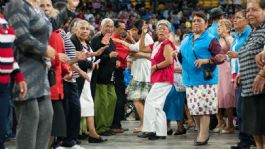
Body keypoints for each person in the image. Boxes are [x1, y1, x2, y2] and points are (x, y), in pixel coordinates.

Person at [4, 0, 79, 148]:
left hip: (41, 73)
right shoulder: (17, 4)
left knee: (46, 116)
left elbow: (51, 25)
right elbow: (20, 36)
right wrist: (44, 49)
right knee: (30, 118)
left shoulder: (36, 7)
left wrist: (70, 6)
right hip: (24, 71)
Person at [179, 11, 225, 146]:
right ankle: (200, 133)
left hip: (206, 80)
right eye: (194, 21)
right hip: (189, 79)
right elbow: (181, 57)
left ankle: (203, 136)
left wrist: (207, 61)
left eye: (199, 20)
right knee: (194, 109)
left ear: (206, 24)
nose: (196, 23)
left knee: (204, 109)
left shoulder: (211, 39)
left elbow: (221, 57)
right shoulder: (186, 39)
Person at [112, 19, 153, 133]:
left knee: (136, 98)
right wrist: (130, 41)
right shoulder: (144, 38)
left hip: (141, 72)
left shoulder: (146, 37)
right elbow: (136, 48)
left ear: (136, 29)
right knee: (142, 99)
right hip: (141, 71)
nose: (130, 31)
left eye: (132, 29)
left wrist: (121, 41)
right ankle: (144, 123)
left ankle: (144, 124)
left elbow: (134, 49)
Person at [137, 20, 176, 140]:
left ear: (169, 32)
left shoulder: (167, 44)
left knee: (150, 101)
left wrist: (155, 66)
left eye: (165, 29)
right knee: (157, 106)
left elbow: (169, 61)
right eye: (160, 28)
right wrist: (143, 33)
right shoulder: (156, 44)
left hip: (164, 77)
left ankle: (150, 130)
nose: (162, 30)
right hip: (159, 78)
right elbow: (142, 47)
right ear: (156, 31)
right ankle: (161, 132)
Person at [71, 19, 107, 143]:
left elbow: (88, 56)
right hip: (76, 78)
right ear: (75, 29)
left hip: (87, 79)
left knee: (88, 106)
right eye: (82, 28)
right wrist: (91, 65)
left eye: (87, 29)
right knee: (76, 108)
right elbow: (75, 58)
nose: (85, 31)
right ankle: (73, 136)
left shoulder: (86, 42)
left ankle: (92, 133)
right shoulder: (72, 41)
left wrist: (95, 58)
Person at [238, 0, 265, 148]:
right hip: (249, 89)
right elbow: (247, 53)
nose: (250, 14)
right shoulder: (253, 31)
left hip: (261, 89)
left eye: (254, 10)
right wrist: (241, 73)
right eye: (248, 11)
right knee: (256, 131)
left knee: (263, 129)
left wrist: (262, 74)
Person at [226, 9, 254, 149]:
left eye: (238, 18)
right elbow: (233, 55)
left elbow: (249, 54)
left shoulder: (250, 34)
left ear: (246, 20)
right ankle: (248, 138)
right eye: (234, 18)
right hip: (236, 75)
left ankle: (246, 140)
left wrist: (237, 55)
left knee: (244, 109)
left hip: (247, 74)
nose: (234, 20)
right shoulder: (237, 35)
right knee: (241, 109)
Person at [0, 14, 27, 149]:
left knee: (2, 122)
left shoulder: (4, 20)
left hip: (4, 85)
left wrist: (19, 76)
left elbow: (9, 53)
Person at [90, 18, 117, 136]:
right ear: (101, 27)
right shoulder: (96, 39)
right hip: (100, 76)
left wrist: (115, 60)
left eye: (111, 26)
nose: (109, 28)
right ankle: (101, 128)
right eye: (107, 26)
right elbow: (93, 57)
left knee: (113, 99)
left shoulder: (111, 40)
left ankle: (107, 125)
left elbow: (112, 54)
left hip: (110, 77)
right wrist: (108, 56)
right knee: (102, 102)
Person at [213, 18, 236, 134]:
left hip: (227, 68)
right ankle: (220, 121)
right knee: (217, 97)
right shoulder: (217, 40)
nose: (218, 29)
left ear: (227, 29)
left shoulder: (230, 38)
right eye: (218, 27)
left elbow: (233, 48)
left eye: (221, 26)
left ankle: (230, 124)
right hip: (218, 69)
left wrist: (225, 36)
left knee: (227, 96)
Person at [111, 20, 130, 133]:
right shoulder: (114, 39)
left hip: (120, 71)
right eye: (121, 28)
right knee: (119, 99)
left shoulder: (120, 39)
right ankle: (115, 125)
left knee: (121, 99)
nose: (123, 30)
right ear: (115, 28)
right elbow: (126, 51)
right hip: (116, 72)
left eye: (124, 28)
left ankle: (117, 124)